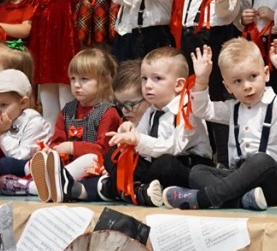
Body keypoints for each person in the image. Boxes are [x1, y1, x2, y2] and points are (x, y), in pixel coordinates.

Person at [162, 38, 277, 210]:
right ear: (228, 87)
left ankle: (203, 199)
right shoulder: (232, 109)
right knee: (197, 172)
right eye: (237, 81)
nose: (247, 86)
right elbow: (201, 110)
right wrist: (202, 79)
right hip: (238, 178)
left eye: (253, 77)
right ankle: (243, 201)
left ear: (266, 74)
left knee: (261, 160)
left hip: (272, 179)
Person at [168, 0, 247, 165]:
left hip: (214, 37)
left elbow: (227, 14)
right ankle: (199, 150)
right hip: (190, 37)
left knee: (214, 96)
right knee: (192, 93)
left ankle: (223, 156)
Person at [87, 47, 211, 205]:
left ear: (179, 84)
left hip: (188, 164)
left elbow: (174, 148)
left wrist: (137, 140)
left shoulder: (188, 109)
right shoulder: (151, 110)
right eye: (144, 79)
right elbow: (140, 143)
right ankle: (139, 190)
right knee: (112, 155)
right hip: (157, 161)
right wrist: (127, 134)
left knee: (166, 164)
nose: (147, 85)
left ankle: (123, 188)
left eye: (157, 78)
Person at [29, 47, 122, 202]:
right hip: (69, 165)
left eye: (84, 79)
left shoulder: (108, 112)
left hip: (96, 169)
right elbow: (57, 141)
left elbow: (104, 151)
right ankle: (48, 183)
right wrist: (52, 150)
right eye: (73, 79)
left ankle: (47, 184)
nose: (76, 84)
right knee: (40, 157)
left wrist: (72, 147)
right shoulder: (68, 110)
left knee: (91, 158)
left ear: (104, 81)